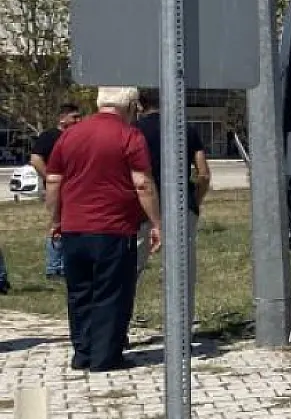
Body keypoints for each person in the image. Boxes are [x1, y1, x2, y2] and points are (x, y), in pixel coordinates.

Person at [44, 86, 160, 372]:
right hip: (114, 228)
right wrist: (156, 222)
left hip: (74, 227)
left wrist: (56, 219)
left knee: (79, 292)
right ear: (131, 106)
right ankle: (106, 356)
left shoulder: (70, 134)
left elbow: (54, 180)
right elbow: (142, 183)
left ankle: (82, 352)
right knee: (112, 292)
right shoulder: (129, 135)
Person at [132, 88, 210, 279]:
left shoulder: (132, 131)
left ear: (140, 105)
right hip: (182, 205)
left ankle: (122, 308)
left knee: (131, 266)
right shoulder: (186, 129)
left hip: (142, 207)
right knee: (183, 270)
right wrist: (195, 201)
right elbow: (204, 174)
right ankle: (185, 309)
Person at [30, 102, 82, 280]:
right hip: (57, 189)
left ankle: (66, 265)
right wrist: (50, 179)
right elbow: (36, 159)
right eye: (74, 117)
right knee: (56, 224)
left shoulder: (77, 136)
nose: (78, 120)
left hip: (74, 188)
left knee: (71, 226)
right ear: (62, 118)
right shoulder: (50, 136)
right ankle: (54, 267)